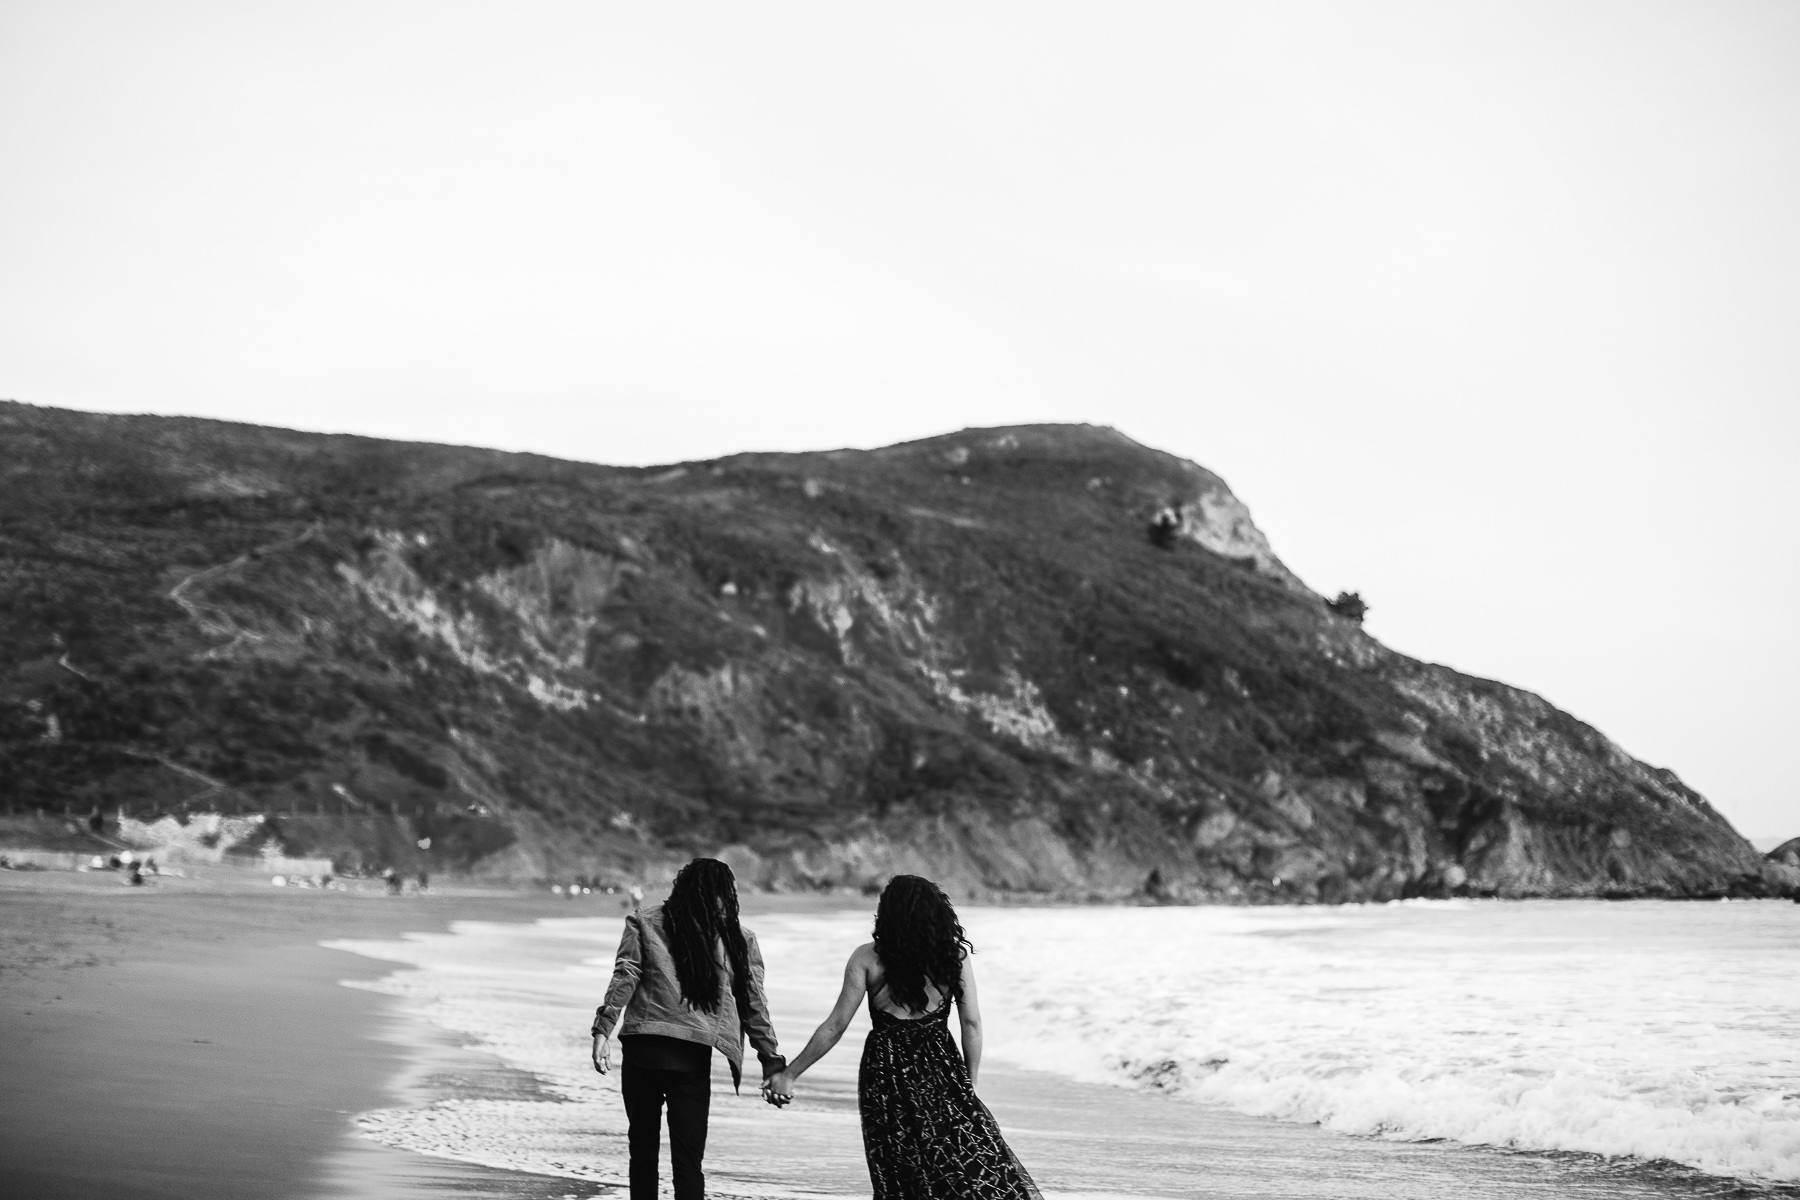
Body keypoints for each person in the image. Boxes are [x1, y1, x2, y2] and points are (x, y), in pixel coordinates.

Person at [765, 875, 1040, 1200]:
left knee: (897, 1164)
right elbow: (972, 1023)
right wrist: (971, 1081)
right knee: (962, 1156)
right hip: (940, 1067)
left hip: (886, 1071)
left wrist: (789, 1074)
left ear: (888, 913)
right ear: (936, 913)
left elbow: (835, 1025)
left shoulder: (866, 958)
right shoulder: (952, 958)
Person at [590, 858, 785, 1200]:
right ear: (727, 895)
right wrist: (771, 1060)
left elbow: (626, 973)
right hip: (691, 1058)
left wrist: (603, 1030)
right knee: (688, 1161)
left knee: (643, 1152)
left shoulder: (645, 920)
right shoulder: (739, 939)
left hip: (642, 1050)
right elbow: (754, 1003)